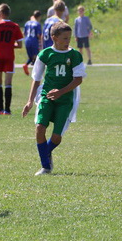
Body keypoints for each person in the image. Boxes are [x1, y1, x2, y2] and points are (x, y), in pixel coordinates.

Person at [22, 21, 86, 176]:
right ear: (54, 38)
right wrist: (30, 101)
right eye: (64, 38)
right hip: (46, 96)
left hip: (65, 99)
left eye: (69, 38)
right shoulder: (45, 54)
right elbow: (36, 79)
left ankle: (46, 152)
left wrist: (61, 92)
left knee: (57, 137)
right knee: (39, 128)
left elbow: (78, 79)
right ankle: (46, 166)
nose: (67, 41)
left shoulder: (75, 55)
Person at [0, 3, 25, 115]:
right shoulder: (15, 26)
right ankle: (7, 110)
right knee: (8, 83)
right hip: (9, 56)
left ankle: (0, 109)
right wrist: (9, 45)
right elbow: (19, 45)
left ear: (0, 13)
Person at [23, 10, 44, 75]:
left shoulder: (27, 23)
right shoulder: (37, 24)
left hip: (27, 40)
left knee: (31, 57)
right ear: (39, 17)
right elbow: (38, 35)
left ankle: (26, 65)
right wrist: (41, 43)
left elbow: (24, 33)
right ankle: (36, 71)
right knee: (37, 56)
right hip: (34, 41)